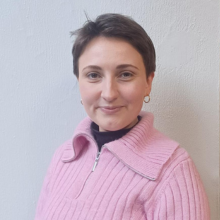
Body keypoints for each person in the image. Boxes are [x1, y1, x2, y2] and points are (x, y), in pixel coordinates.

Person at [35, 13, 210, 220]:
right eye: (93, 75)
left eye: (125, 74)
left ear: (148, 82)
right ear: (79, 81)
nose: (109, 93)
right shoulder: (63, 157)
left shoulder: (173, 171)